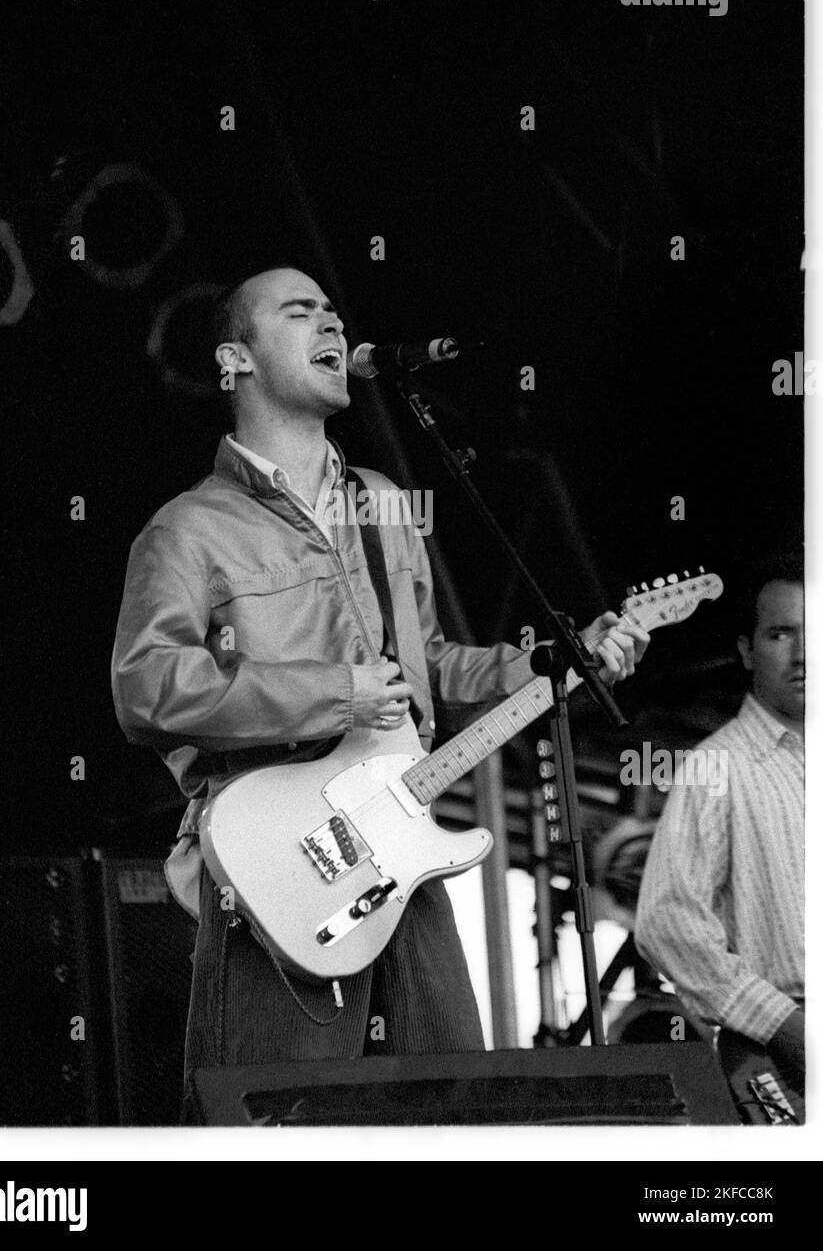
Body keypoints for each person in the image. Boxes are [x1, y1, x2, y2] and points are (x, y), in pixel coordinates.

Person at [111, 266, 648, 1086]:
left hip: (401, 846)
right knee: (269, 1113)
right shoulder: (187, 530)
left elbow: (427, 662)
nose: (329, 323)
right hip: (273, 862)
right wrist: (333, 690)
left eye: (332, 310)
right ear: (234, 361)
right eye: (299, 312)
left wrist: (557, 662)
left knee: (454, 1104)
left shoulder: (382, 501)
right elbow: (145, 689)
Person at [635, 553, 804, 1083]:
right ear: (746, 651)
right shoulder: (714, 767)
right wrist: (783, 1024)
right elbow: (667, 923)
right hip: (783, 1048)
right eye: (781, 634)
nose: (803, 653)